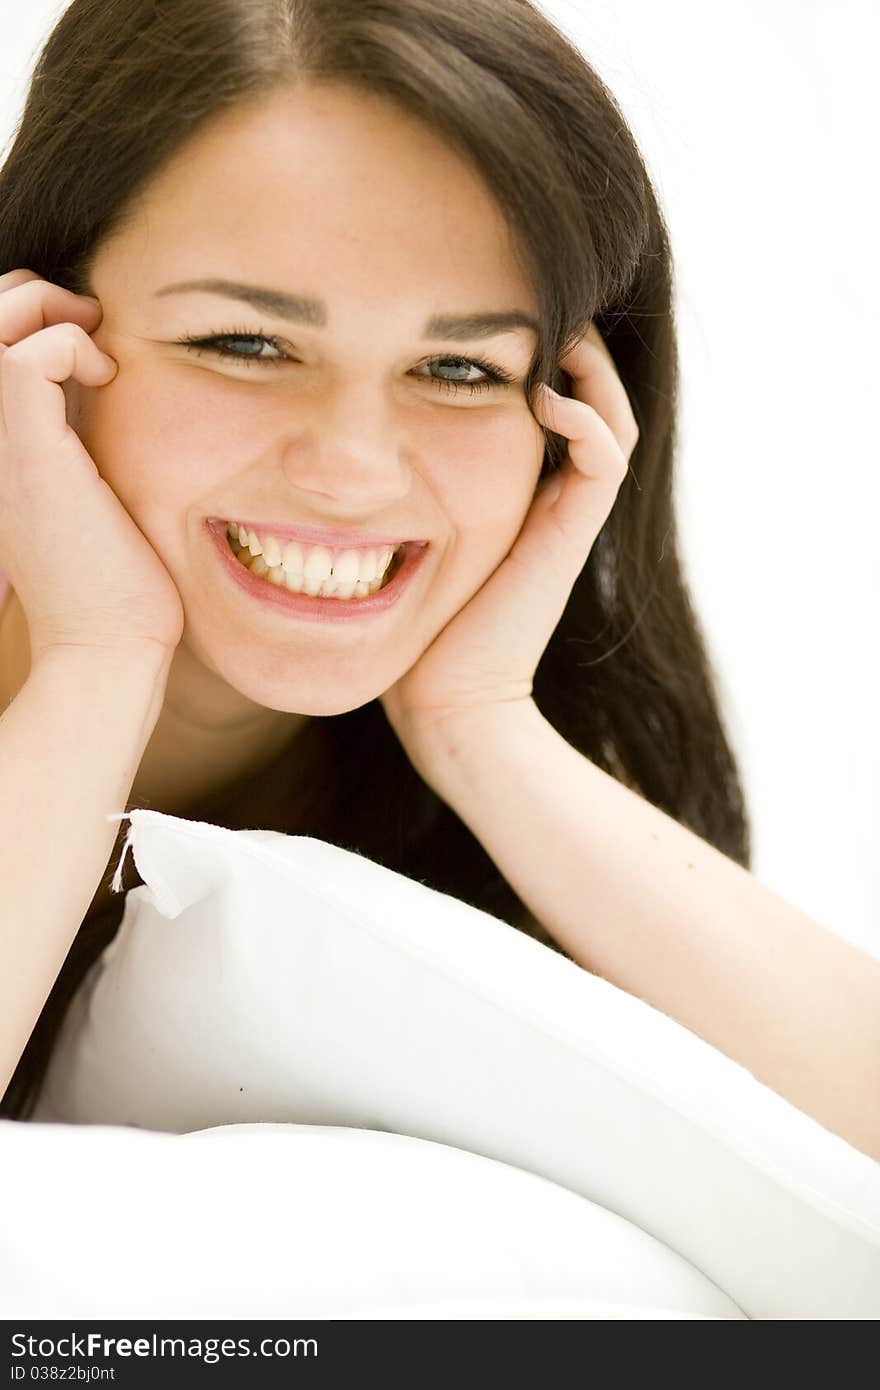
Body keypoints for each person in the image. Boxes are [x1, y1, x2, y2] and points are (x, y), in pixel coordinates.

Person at [0, 0, 877, 1159]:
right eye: (244, 344)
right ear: (39, 338)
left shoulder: (491, 764)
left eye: (458, 367)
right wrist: (93, 660)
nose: (353, 474)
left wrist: (482, 728)